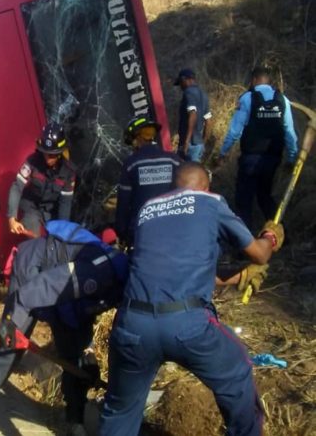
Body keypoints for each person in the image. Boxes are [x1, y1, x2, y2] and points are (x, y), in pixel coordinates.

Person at [99, 162, 284, 436]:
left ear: (175, 187)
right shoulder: (211, 203)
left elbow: (172, 271)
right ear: (206, 187)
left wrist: (236, 278)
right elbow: (258, 254)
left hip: (133, 325)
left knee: (120, 409)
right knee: (237, 368)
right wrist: (271, 237)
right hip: (188, 327)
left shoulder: (147, 210)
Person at [0, 220, 129, 436]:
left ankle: (74, 420)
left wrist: (87, 349)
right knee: (12, 348)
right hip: (34, 270)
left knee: (78, 358)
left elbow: (85, 309)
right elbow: (44, 287)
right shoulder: (99, 273)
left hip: (63, 291)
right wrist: (12, 322)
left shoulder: (123, 284)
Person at [217, 66, 298, 230]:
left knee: (244, 199)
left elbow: (235, 131)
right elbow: (290, 133)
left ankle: (244, 244)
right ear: (269, 81)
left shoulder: (247, 98)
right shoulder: (283, 99)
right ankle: (281, 235)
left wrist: (223, 153)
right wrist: (291, 158)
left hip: (251, 158)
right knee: (264, 196)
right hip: (273, 158)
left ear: (254, 80)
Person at [115, 116, 182, 247]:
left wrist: (121, 232)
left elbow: (123, 204)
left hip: (141, 233)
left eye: (131, 141)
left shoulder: (131, 164)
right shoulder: (174, 160)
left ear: (137, 138)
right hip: (172, 230)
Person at [8, 122, 77, 236]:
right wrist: (12, 217)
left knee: (56, 241)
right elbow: (17, 187)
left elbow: (65, 204)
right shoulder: (32, 162)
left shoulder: (68, 173)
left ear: (60, 153)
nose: (47, 159)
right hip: (32, 207)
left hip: (51, 212)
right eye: (45, 153)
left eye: (52, 155)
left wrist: (62, 230)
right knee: (34, 234)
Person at [174, 68, 213, 162]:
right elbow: (209, 121)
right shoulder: (204, 94)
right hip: (198, 144)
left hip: (189, 144)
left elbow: (193, 114)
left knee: (186, 174)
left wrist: (187, 141)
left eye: (180, 83)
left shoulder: (188, 93)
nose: (181, 87)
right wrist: (203, 141)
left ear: (184, 80)